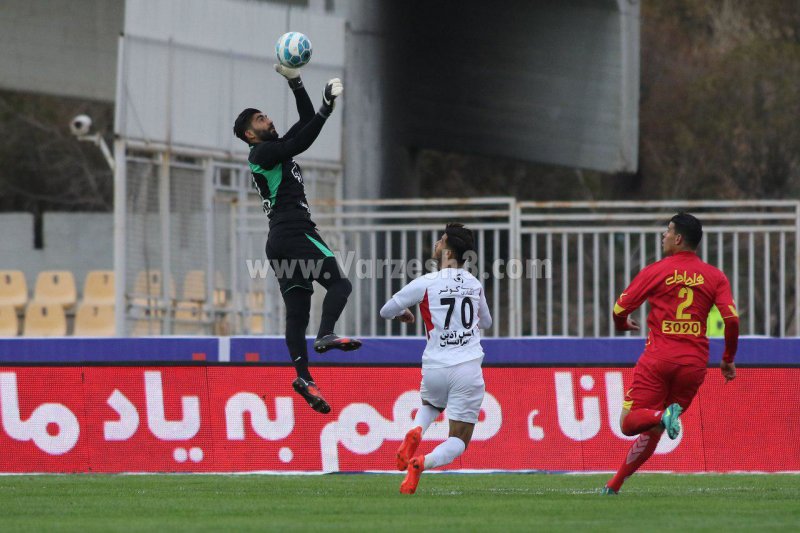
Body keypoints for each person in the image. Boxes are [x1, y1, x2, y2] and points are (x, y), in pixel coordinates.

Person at [233, 64, 361, 415]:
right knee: (341, 285)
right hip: (295, 231)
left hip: (279, 240)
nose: (268, 119)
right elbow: (304, 137)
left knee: (297, 313)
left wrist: (296, 83)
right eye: (261, 119)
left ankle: (304, 377)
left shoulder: (274, 150)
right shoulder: (260, 153)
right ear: (249, 133)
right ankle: (327, 334)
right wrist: (325, 109)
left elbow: (302, 126)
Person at [602, 212, 739, 495]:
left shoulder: (657, 270)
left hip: (658, 359)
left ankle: (661, 415)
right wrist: (727, 358)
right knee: (654, 430)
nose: (663, 236)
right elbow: (732, 319)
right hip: (693, 365)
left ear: (678, 239)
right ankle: (613, 485)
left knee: (630, 422)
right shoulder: (715, 276)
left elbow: (619, 309)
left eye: (667, 231)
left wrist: (621, 325)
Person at [379, 223, 492, 494]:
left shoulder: (426, 283)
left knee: (431, 404)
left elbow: (386, 310)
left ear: (448, 251)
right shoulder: (474, 283)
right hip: (467, 367)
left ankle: (417, 429)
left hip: (435, 367)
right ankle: (421, 462)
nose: (436, 245)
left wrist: (402, 314)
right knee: (460, 440)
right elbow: (486, 321)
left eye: (440, 241)